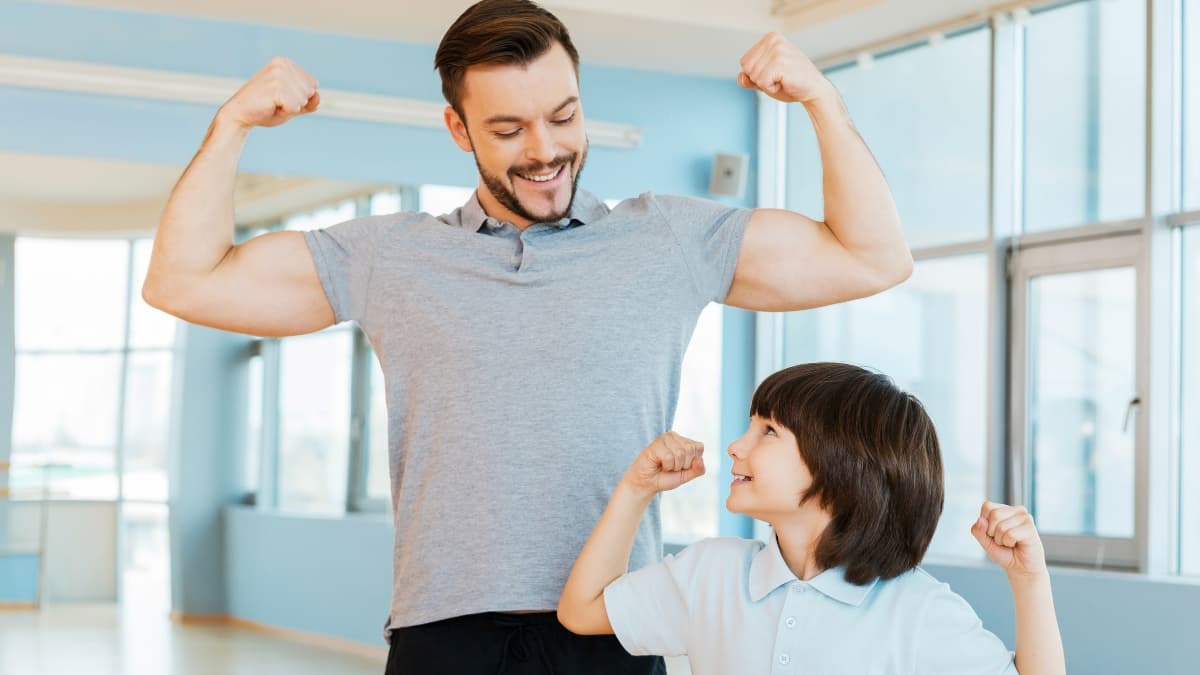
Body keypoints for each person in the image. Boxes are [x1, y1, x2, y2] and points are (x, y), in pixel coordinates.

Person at [141, 0, 913, 671]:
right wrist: (231, 125)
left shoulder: (668, 239)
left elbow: (872, 256)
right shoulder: (390, 255)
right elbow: (184, 280)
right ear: (457, 128)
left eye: (564, 117)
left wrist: (820, 100)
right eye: (508, 129)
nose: (544, 150)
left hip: (613, 624)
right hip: (445, 632)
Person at [558, 362, 1067, 675]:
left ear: (841, 466)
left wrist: (1029, 580)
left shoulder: (917, 610)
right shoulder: (709, 574)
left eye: (769, 432)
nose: (737, 446)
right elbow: (581, 612)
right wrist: (635, 490)